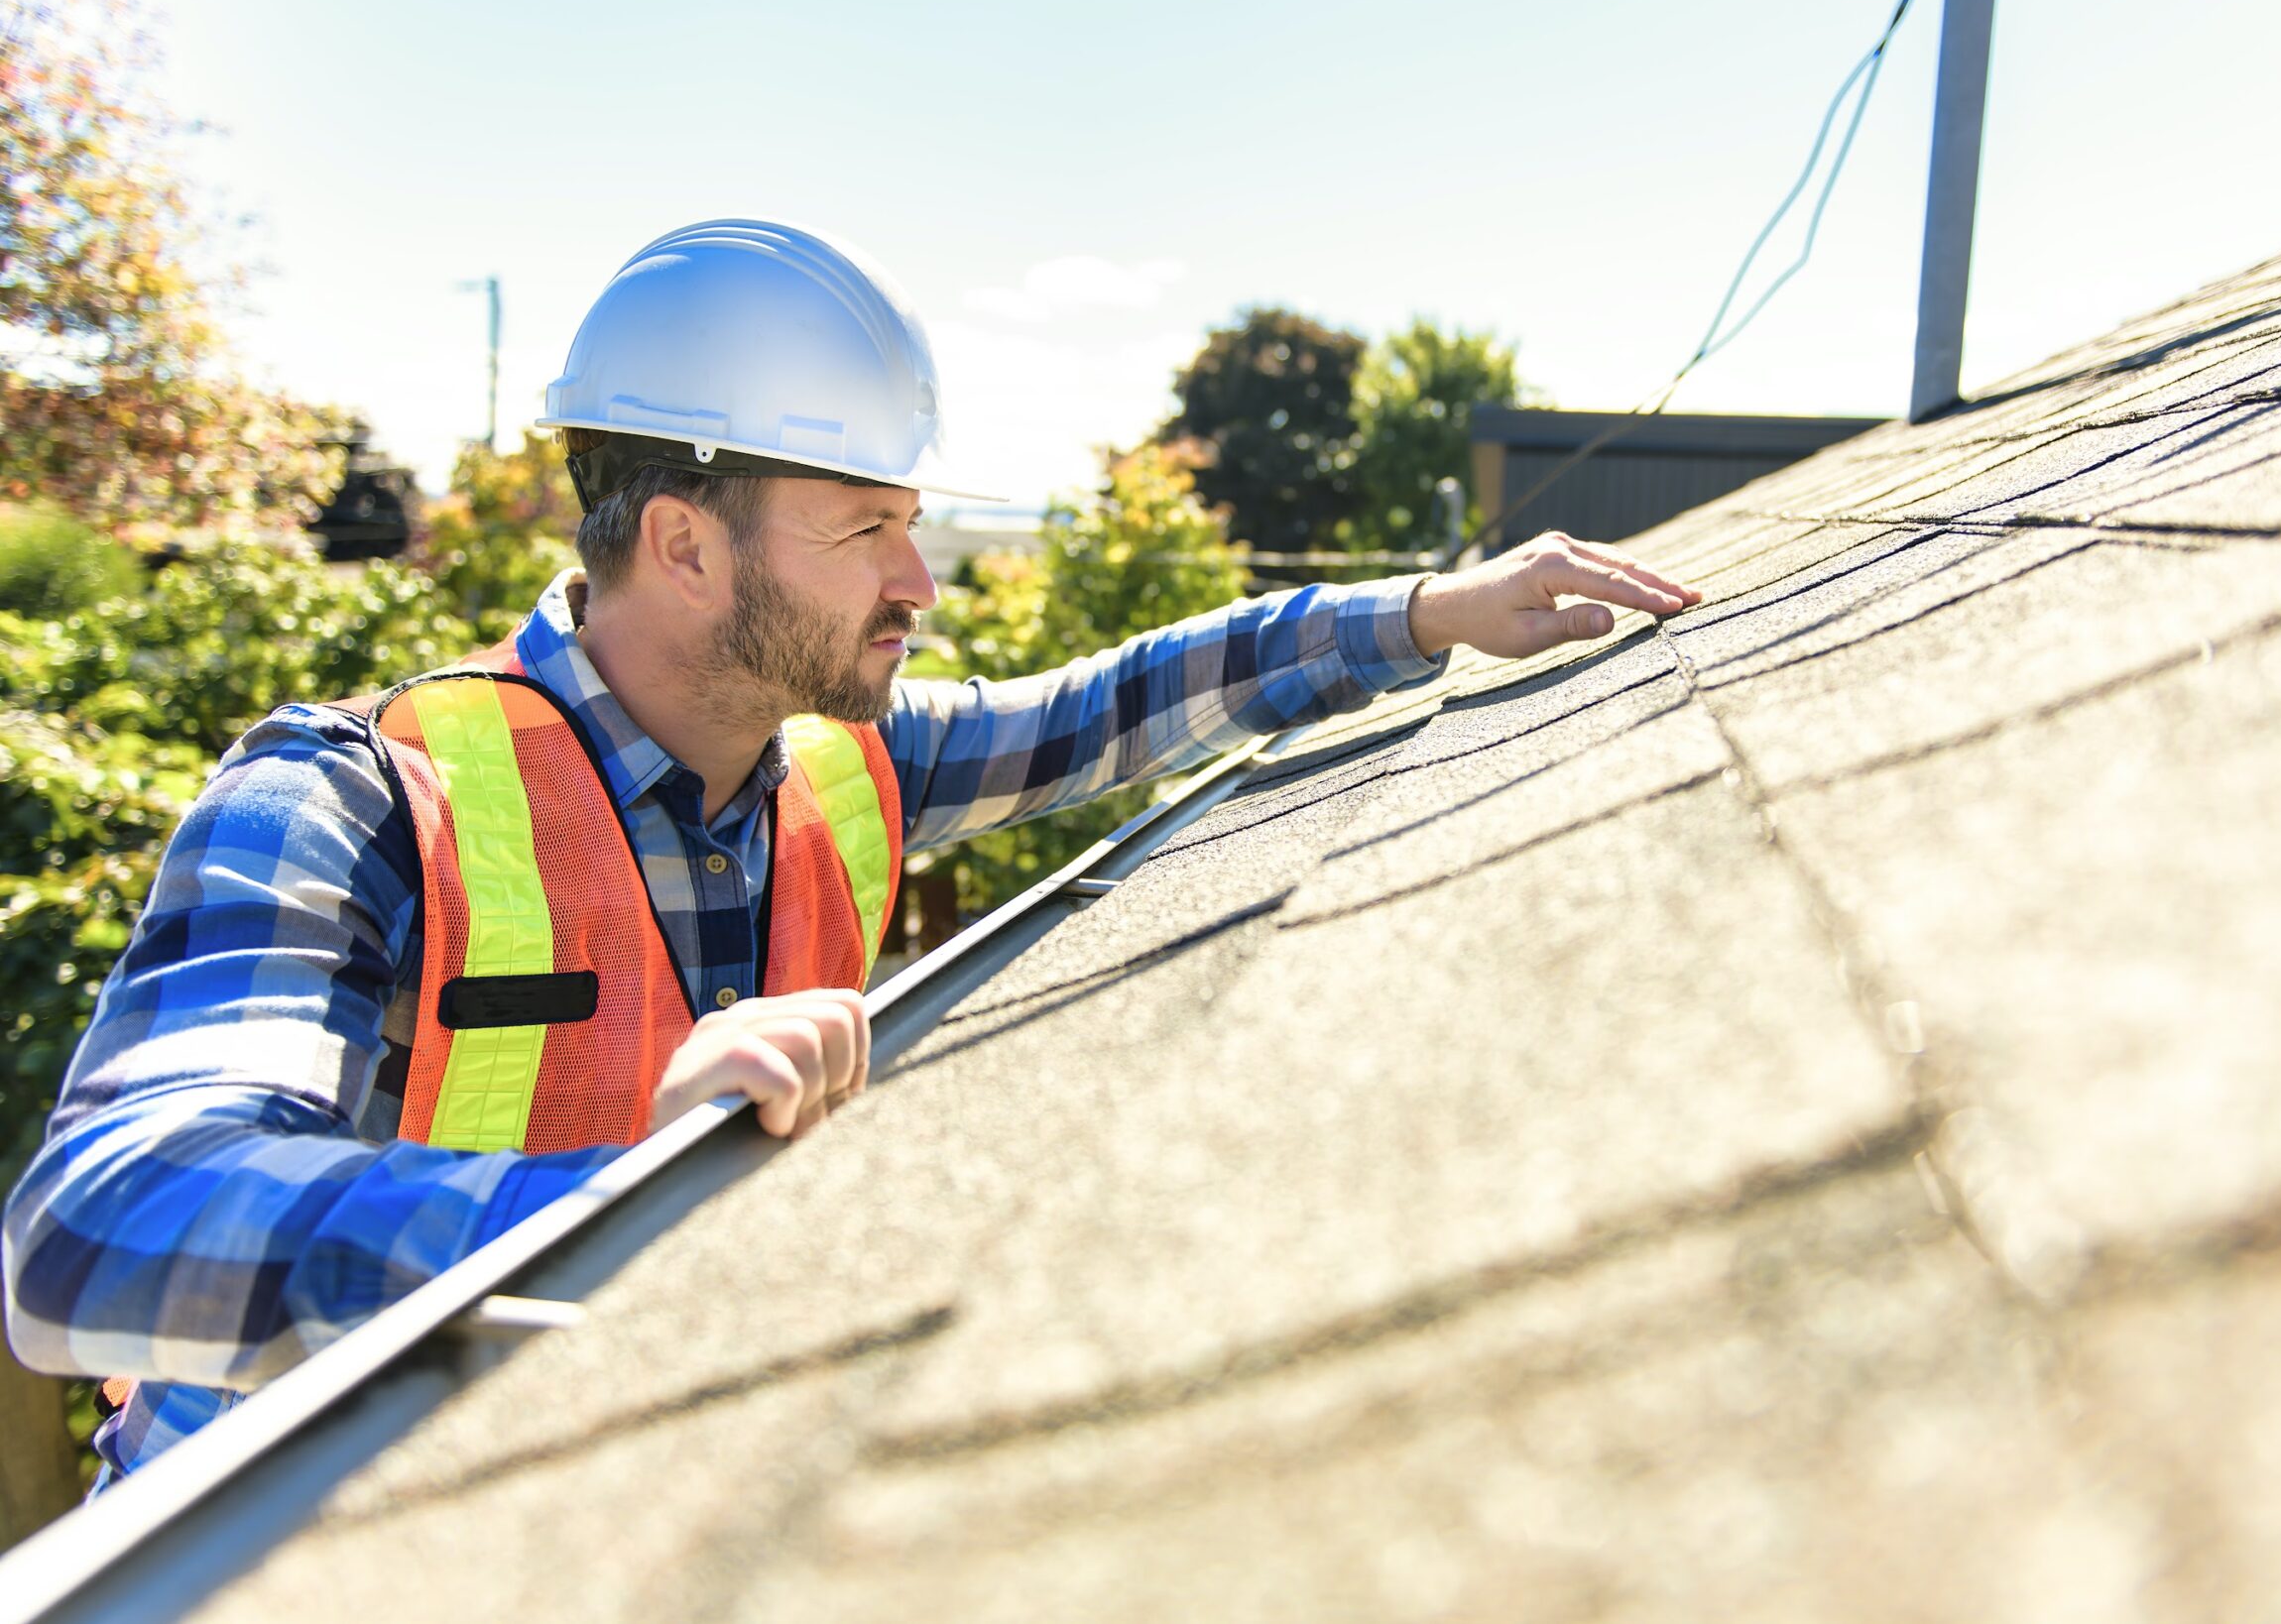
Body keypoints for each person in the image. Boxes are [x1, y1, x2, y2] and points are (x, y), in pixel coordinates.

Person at [1, 220, 1697, 1487]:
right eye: (867, 528)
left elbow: (1106, 707)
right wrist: (601, 1213)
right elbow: (91, 1227)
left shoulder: (834, 765)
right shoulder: (347, 800)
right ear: (681, 543)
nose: (920, 581)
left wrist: (1421, 614)